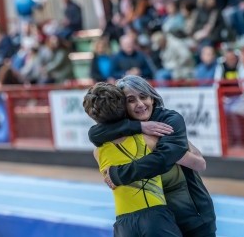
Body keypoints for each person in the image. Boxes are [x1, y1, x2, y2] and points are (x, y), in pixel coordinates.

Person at [88, 75, 217, 237]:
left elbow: (167, 159)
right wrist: (139, 126)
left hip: (191, 214)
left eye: (144, 97)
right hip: (161, 218)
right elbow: (94, 133)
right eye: (131, 100)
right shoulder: (127, 128)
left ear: (153, 98)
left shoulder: (169, 119)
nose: (140, 104)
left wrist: (118, 174)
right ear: (122, 106)